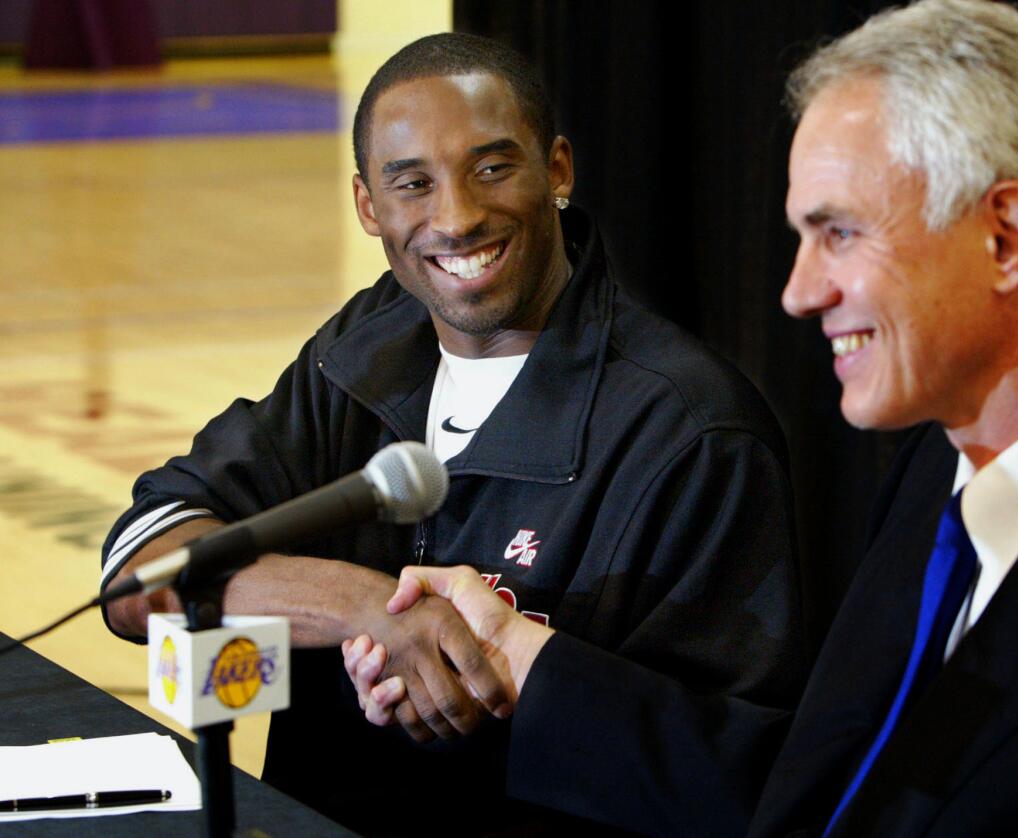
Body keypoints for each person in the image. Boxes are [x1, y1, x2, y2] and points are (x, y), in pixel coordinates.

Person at [345, 1, 1018, 834]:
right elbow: (815, 789)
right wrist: (519, 657)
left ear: (1008, 239)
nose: (799, 292)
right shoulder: (945, 467)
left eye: (840, 234)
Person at [99, 33, 805, 835]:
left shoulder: (694, 431)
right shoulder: (363, 347)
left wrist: (512, 675)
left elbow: (741, 784)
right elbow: (141, 571)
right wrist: (369, 609)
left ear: (559, 170)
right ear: (369, 206)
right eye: (413, 184)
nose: (459, 217)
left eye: (493, 168)